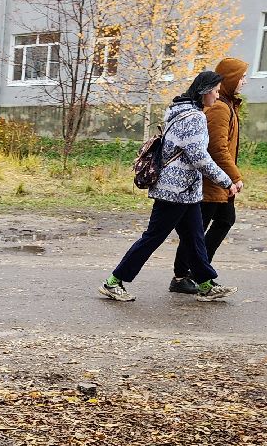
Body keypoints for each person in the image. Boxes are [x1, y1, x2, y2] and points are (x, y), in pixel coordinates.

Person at [100, 70, 237, 302]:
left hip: (185, 191)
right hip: (174, 191)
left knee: (194, 239)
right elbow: (198, 157)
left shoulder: (179, 111)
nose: (216, 96)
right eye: (214, 91)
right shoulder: (194, 117)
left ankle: (205, 285)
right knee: (153, 237)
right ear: (204, 92)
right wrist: (226, 181)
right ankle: (114, 282)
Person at [172, 57, 247, 294]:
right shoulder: (219, 108)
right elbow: (216, 148)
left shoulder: (228, 105)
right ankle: (183, 275)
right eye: (242, 76)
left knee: (224, 220)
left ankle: (199, 271)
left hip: (220, 182)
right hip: (211, 181)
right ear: (231, 78)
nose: (245, 81)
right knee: (197, 228)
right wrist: (234, 176)